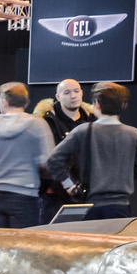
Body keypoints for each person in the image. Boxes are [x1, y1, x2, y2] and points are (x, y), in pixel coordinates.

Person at [46, 82, 137, 220]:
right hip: (120, 206)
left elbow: (54, 160)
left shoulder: (83, 130)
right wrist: (122, 176)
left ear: (96, 104)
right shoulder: (134, 134)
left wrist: (69, 185)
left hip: (88, 205)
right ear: (123, 105)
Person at [0, 82, 55, 229]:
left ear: (4, 102)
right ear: (26, 102)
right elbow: (47, 164)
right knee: (22, 242)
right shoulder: (38, 125)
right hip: (26, 196)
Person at [37, 78, 97, 223]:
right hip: (55, 194)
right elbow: (46, 158)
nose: (73, 96)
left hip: (88, 192)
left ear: (82, 93)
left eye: (76, 91)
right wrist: (56, 185)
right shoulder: (46, 122)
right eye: (67, 92)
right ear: (58, 97)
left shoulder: (94, 121)